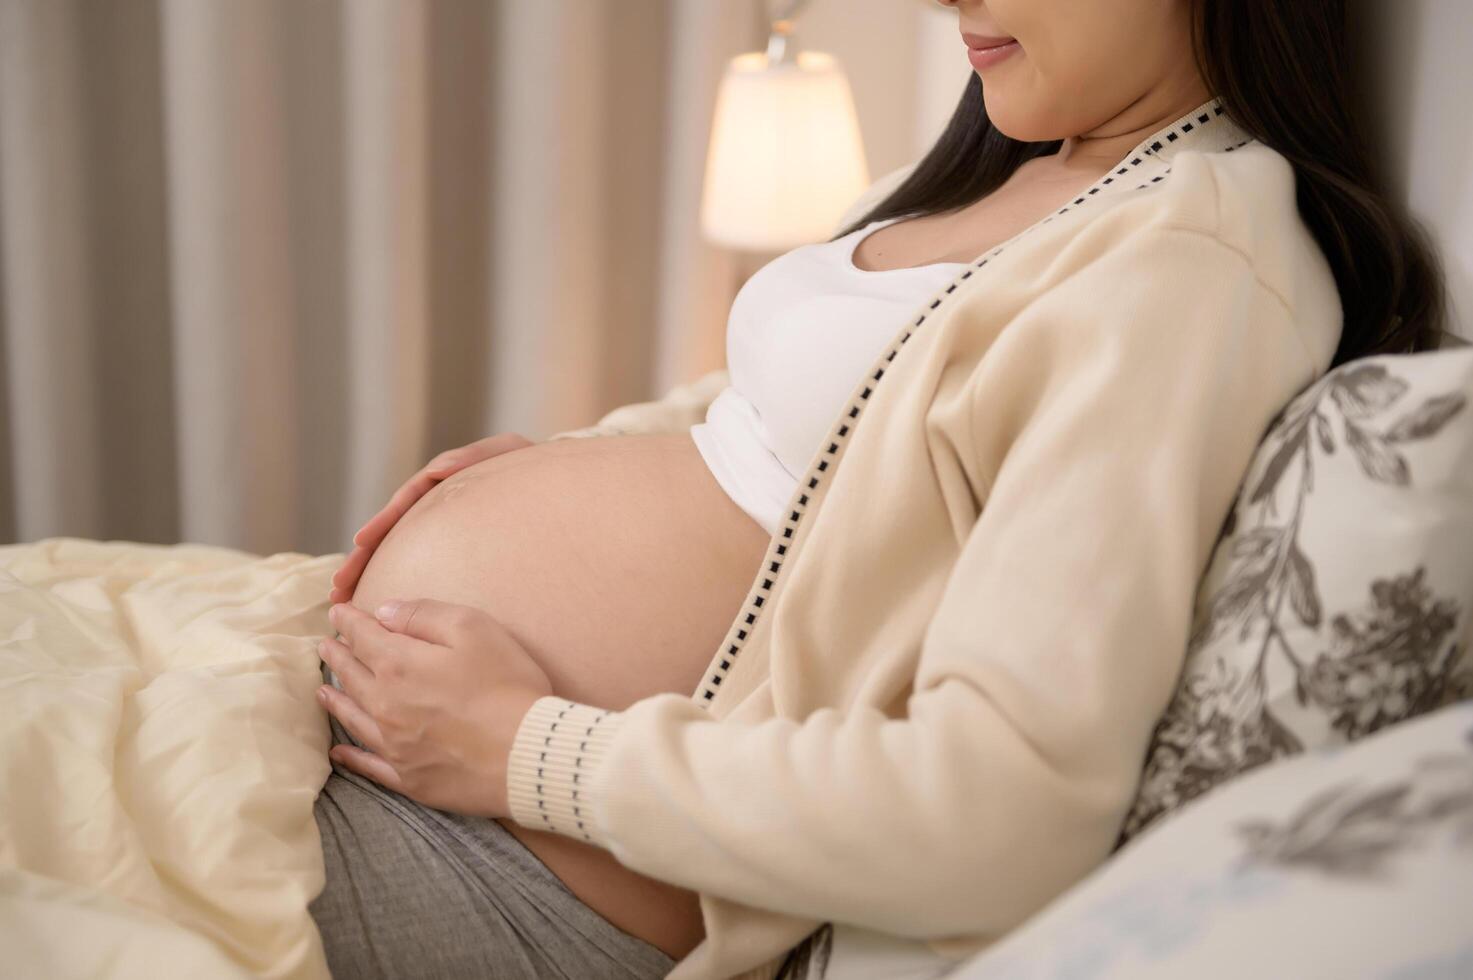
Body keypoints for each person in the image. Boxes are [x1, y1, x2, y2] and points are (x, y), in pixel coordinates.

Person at [310, 1, 1446, 978]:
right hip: (434, 765)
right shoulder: (1014, 164)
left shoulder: (1185, 266)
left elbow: (1005, 809)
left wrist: (527, 746)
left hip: (529, 869)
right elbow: (807, 412)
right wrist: (582, 455)